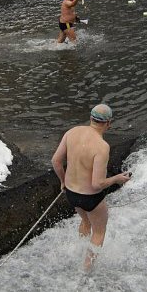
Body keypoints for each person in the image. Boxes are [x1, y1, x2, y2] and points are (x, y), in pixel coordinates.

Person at [51, 104, 131, 271]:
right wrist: (117, 179)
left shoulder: (71, 132)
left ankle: (80, 250)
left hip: (71, 193)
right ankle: (86, 269)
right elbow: (97, 184)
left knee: (85, 221)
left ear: (91, 118)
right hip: (91, 197)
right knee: (99, 232)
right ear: (108, 123)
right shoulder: (102, 146)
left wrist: (63, 182)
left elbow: (56, 161)